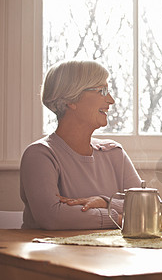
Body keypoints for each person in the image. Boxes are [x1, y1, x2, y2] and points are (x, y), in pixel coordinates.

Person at [20, 60, 142, 230]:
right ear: (72, 99)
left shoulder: (114, 153)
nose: (111, 100)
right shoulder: (40, 155)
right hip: (52, 255)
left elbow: (150, 206)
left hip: (110, 255)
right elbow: (52, 217)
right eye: (102, 91)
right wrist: (121, 218)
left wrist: (105, 202)